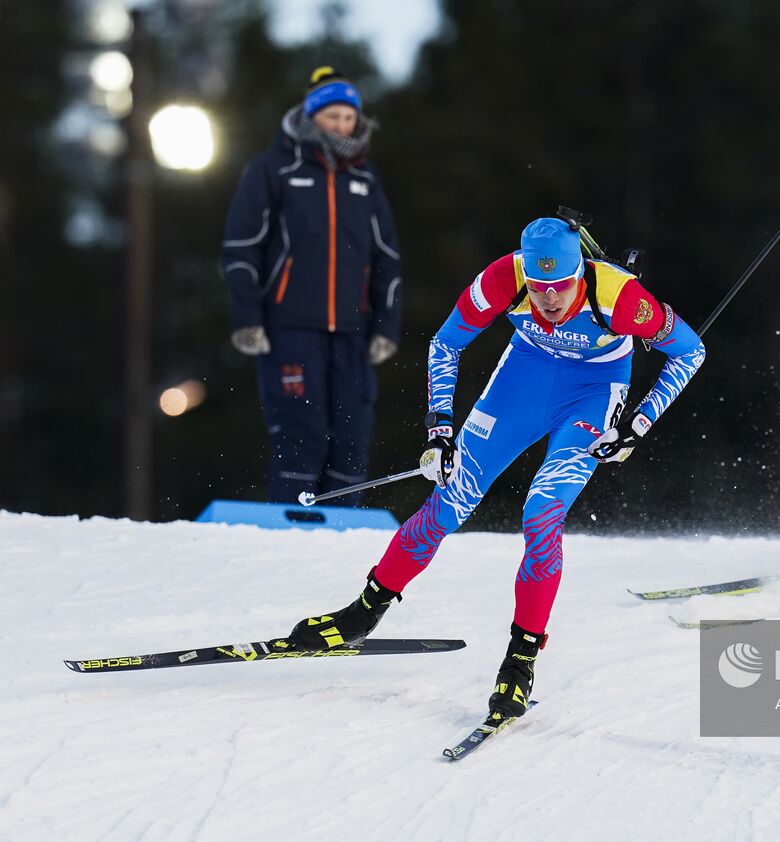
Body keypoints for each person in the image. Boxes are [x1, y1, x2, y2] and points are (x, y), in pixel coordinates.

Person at [286, 216, 705, 724]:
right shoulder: (501, 280)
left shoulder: (621, 298)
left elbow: (690, 351)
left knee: (542, 514)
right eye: (539, 288)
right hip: (524, 378)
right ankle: (362, 614)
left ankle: (520, 661)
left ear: (580, 273)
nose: (549, 300)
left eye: (562, 288)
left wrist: (637, 424)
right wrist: (439, 432)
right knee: (449, 499)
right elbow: (445, 344)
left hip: (592, 393)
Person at [221, 67, 403, 506]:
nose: (341, 125)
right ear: (310, 117)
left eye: (348, 117)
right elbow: (241, 246)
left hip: (351, 334)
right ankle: (294, 534)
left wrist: (386, 327)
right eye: (332, 116)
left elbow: (387, 260)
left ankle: (342, 534)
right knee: (303, 432)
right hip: (289, 331)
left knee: (352, 434)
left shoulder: (364, 179)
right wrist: (248, 319)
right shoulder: (274, 169)